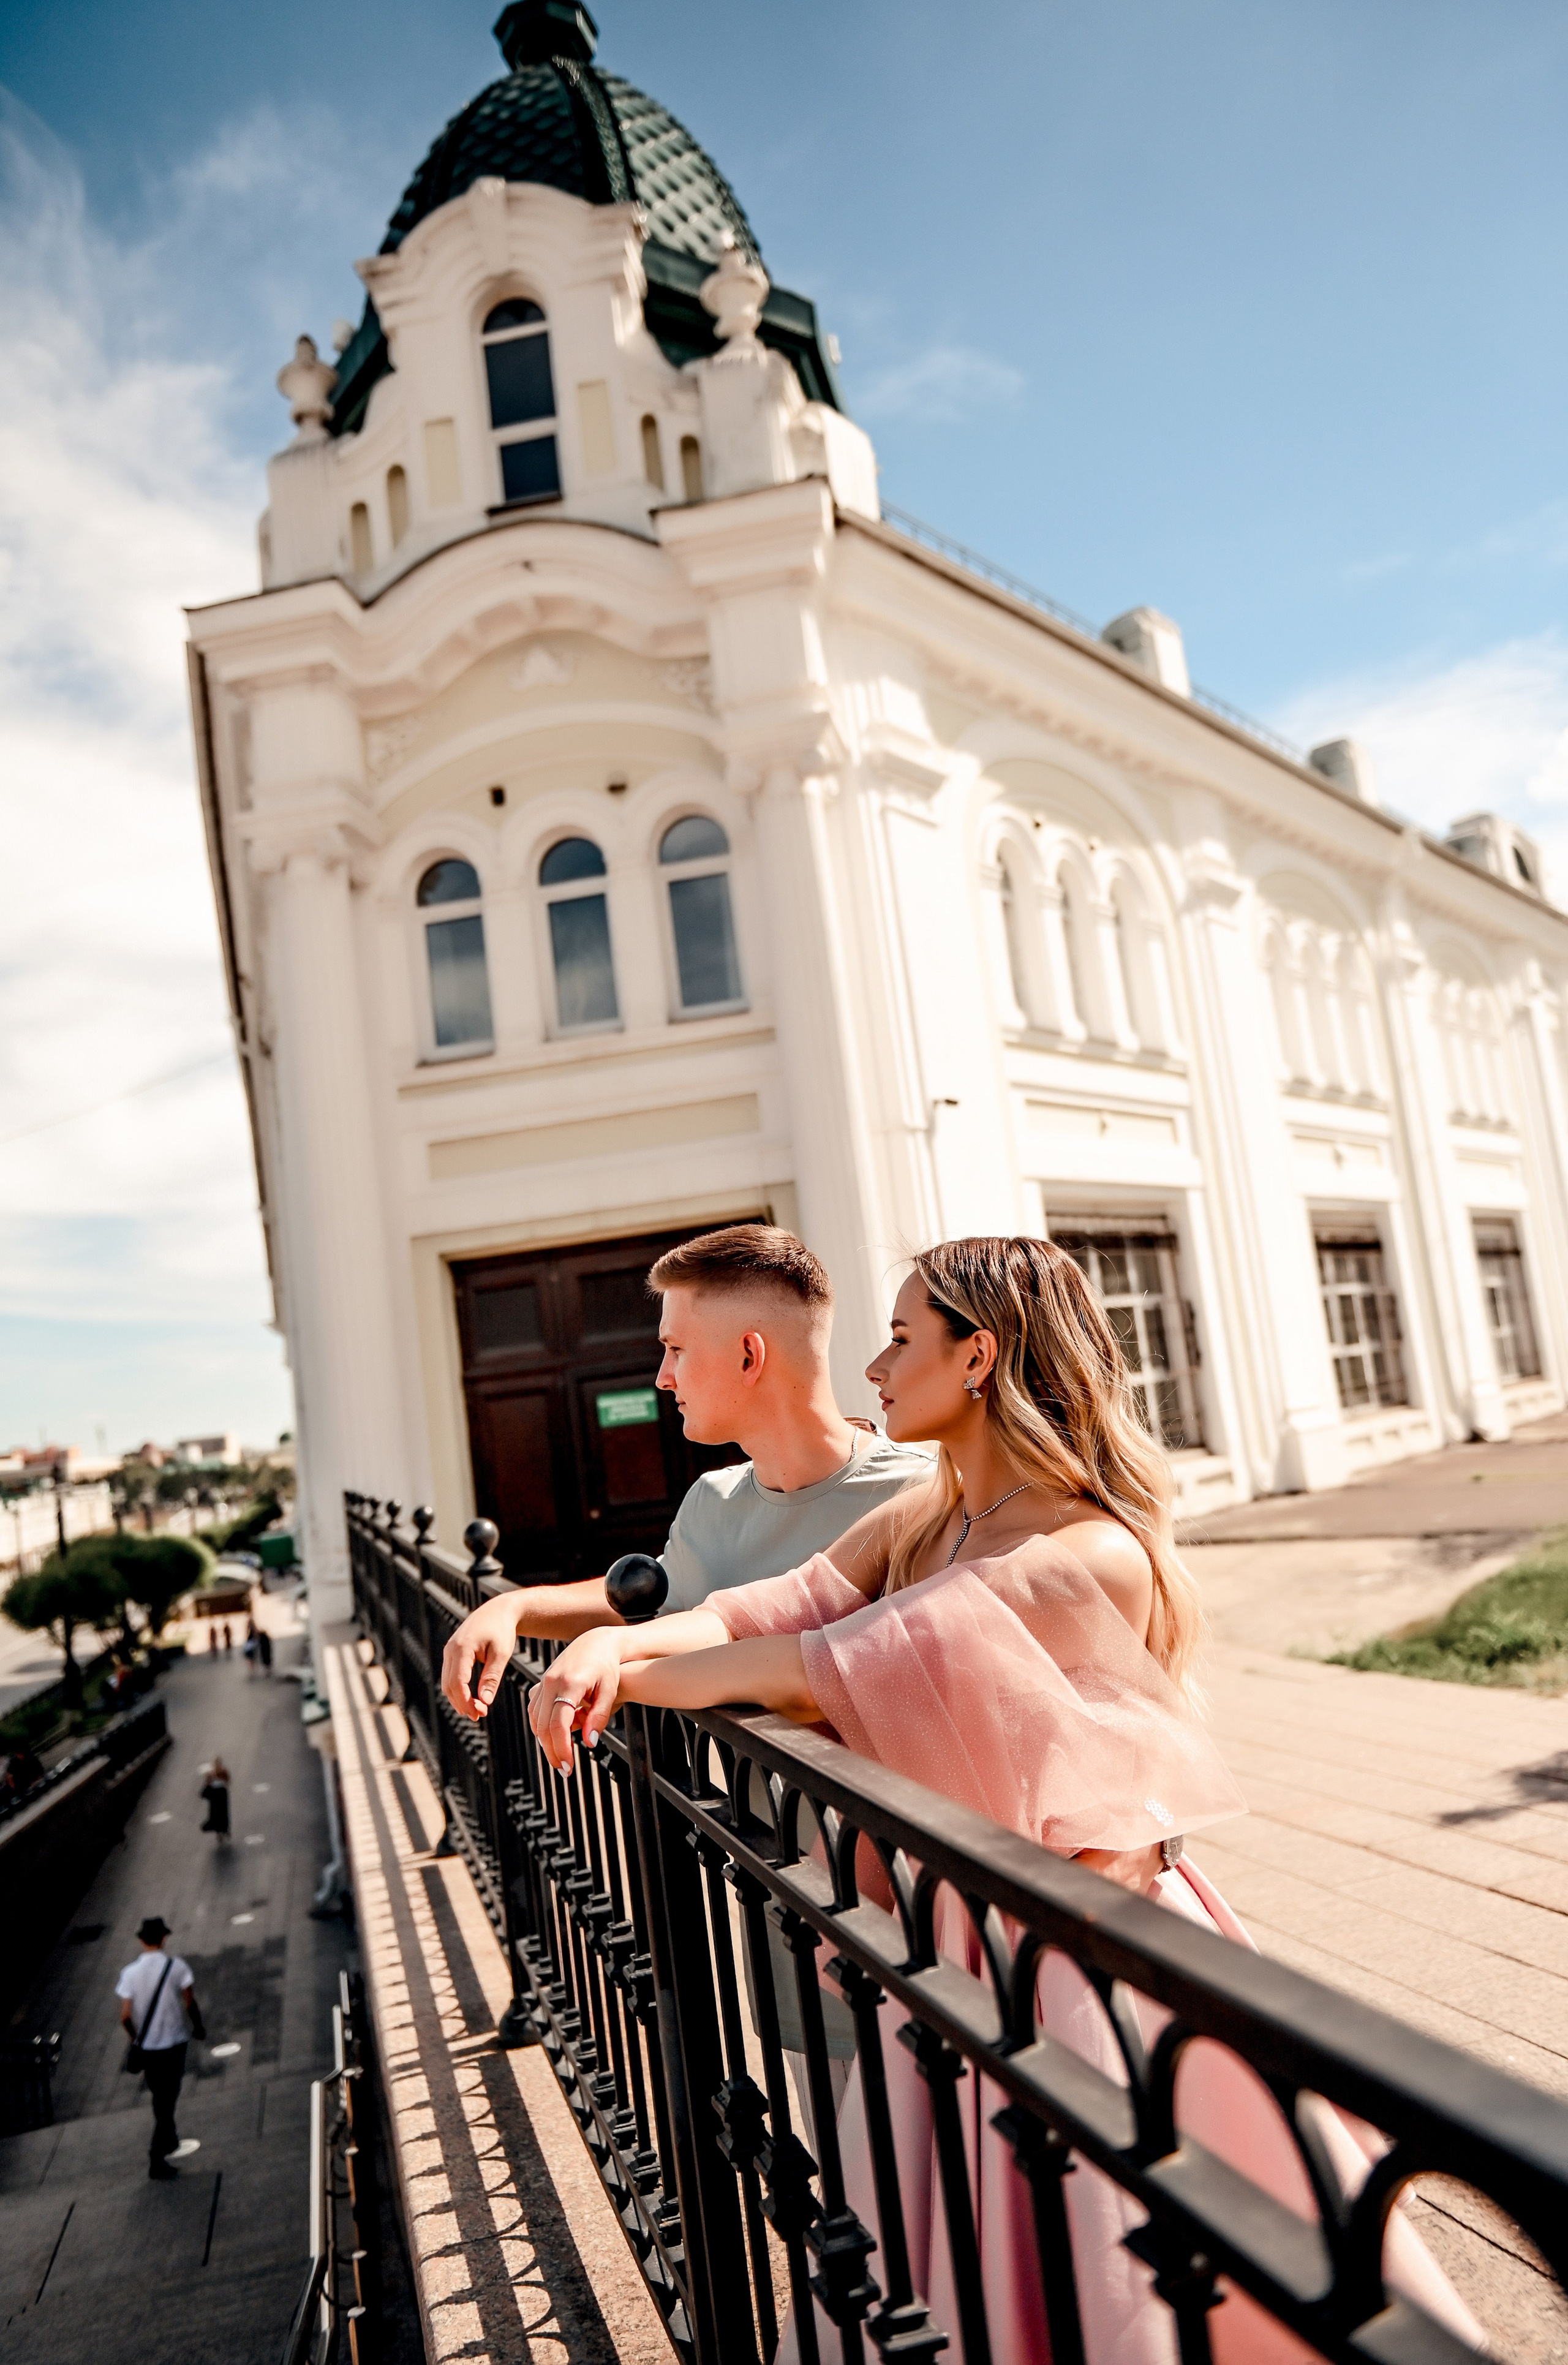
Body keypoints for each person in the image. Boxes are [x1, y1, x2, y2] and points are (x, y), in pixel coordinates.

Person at [530, 1235, 1482, 2363]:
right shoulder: (934, 1515)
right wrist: (609, 1649)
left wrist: (615, 1673)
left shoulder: (1086, 1548)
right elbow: (766, 1608)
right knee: (943, 2275)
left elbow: (813, 1665)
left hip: (1077, 1957)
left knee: (1111, 2282)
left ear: (977, 1357)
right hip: (961, 1942)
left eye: (901, 1339)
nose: (875, 1368)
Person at [440, 1224, 931, 1702]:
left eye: (676, 1349)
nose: (663, 1377)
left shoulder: (922, 1494)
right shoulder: (709, 1501)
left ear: (748, 1356)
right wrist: (514, 1607)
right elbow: (642, 1598)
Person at [116, 1915, 205, 2178]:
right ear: (164, 1938)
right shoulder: (176, 1966)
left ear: (141, 1940)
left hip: (149, 2048)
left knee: (160, 2095)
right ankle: (158, 2154)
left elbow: (125, 2016)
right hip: (175, 2042)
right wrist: (198, 2026)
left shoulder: (129, 1973)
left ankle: (168, 2140)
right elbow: (190, 2002)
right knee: (170, 2095)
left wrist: (136, 2038)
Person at [200, 1756, 232, 1842]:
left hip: (215, 1795)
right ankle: (225, 1830)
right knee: (223, 1812)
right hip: (222, 1794)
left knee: (216, 1813)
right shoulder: (223, 1771)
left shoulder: (212, 1773)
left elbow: (208, 1784)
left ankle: (220, 1832)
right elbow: (228, 1781)